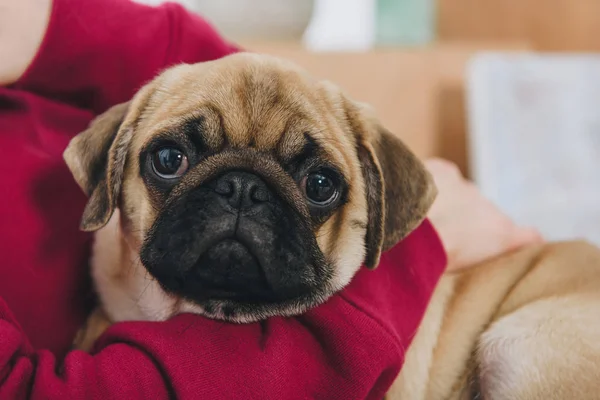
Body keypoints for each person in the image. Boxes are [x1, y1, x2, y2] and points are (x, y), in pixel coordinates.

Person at [0, 0, 541, 398]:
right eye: (171, 162)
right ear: (108, 175)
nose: (240, 198)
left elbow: (192, 59)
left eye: (317, 186)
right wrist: (419, 253)